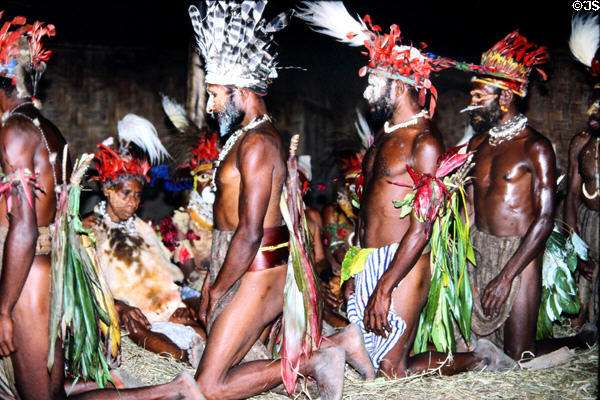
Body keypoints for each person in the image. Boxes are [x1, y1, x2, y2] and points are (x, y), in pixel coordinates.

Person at [298, 1, 514, 378]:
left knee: (391, 370)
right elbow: (369, 209)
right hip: (367, 258)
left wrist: (385, 285)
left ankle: (482, 358)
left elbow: (422, 226)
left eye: (373, 83)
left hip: (404, 262)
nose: (367, 93)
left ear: (398, 86)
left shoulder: (424, 141)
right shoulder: (384, 135)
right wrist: (354, 268)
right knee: (362, 358)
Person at [0, 13, 202, 400]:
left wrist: (4, 309)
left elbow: (23, 227)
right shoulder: (48, 130)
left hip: (29, 277)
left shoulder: (15, 131)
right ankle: (172, 390)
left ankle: (169, 391)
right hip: (52, 272)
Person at [187, 2, 370, 399]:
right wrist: (212, 277)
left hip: (255, 267)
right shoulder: (250, 137)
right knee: (224, 368)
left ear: (242, 91)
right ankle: (329, 352)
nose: (210, 105)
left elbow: (251, 230)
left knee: (209, 387)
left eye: (217, 95)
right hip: (244, 261)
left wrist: (217, 289)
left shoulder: (257, 144)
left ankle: (322, 356)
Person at [466, 30, 597, 361]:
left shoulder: (535, 148)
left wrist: (506, 275)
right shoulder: (476, 145)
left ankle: (582, 341)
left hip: (521, 255)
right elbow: (468, 205)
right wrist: (462, 262)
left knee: (518, 358)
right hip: (479, 250)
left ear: (505, 99)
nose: (473, 103)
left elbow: (543, 218)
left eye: (481, 96)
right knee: (475, 351)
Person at [83, 114, 205, 368]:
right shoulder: (90, 228)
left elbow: (167, 276)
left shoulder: (142, 229)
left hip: (166, 308)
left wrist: (181, 304)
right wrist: (119, 307)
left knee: (202, 330)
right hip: (131, 314)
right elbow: (87, 285)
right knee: (144, 335)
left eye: (137, 195)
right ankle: (184, 362)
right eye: (125, 193)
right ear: (107, 190)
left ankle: (196, 359)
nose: (132, 202)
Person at [565, 13, 600, 327]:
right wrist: (577, 251)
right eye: (593, 99)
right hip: (590, 228)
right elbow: (572, 200)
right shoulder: (581, 143)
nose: (593, 109)